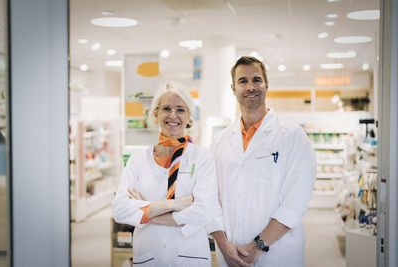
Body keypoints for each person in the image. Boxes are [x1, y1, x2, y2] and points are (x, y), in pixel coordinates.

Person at [207, 56, 317, 267]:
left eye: (256, 80)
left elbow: (295, 202)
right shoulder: (220, 141)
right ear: (233, 88)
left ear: (267, 84)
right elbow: (211, 199)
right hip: (230, 255)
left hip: (276, 255)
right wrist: (223, 245)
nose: (250, 87)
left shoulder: (292, 136)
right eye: (243, 81)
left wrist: (256, 247)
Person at [112, 83, 217, 266]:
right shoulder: (138, 160)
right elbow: (120, 210)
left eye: (180, 109)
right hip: (149, 255)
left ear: (189, 116)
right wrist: (174, 204)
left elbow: (203, 213)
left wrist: (147, 211)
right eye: (166, 108)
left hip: (190, 256)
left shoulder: (202, 157)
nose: (173, 115)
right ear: (155, 114)